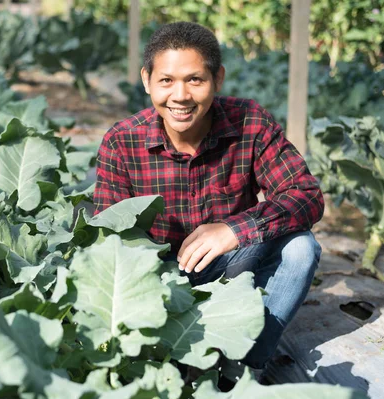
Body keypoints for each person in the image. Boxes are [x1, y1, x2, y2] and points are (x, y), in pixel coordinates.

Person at [93, 22, 324, 379]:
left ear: (218, 79)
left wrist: (232, 230)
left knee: (301, 249)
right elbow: (110, 245)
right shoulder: (121, 143)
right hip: (161, 285)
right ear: (146, 80)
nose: (180, 96)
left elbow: (306, 195)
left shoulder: (250, 122)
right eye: (166, 80)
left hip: (236, 267)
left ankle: (244, 367)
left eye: (195, 80)